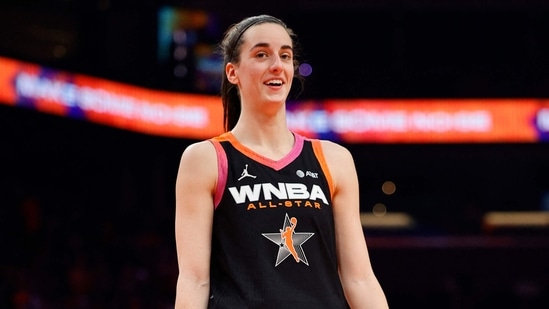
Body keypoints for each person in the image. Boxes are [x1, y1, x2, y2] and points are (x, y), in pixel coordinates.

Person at [174, 14, 388, 308]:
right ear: (232, 72)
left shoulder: (334, 159)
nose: (277, 64)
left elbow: (360, 278)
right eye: (261, 54)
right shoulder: (206, 159)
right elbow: (193, 279)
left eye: (285, 55)